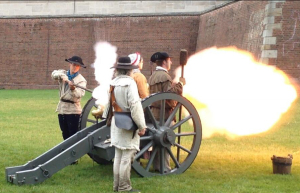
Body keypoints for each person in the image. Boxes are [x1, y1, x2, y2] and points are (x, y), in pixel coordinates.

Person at [105, 56, 147, 192]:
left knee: (118, 156)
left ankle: (116, 186)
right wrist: (142, 125)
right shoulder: (130, 84)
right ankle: (124, 187)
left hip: (116, 122)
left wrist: (106, 118)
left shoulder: (112, 83)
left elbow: (108, 107)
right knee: (126, 157)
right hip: (128, 124)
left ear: (118, 70)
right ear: (129, 70)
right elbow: (135, 106)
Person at [148, 52, 185, 173]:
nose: (171, 63)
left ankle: (157, 166)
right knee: (165, 141)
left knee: (156, 141)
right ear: (164, 61)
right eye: (169, 60)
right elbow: (169, 96)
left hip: (154, 113)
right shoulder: (165, 77)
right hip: (164, 114)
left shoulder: (153, 76)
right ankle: (165, 168)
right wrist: (180, 84)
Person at [51, 55, 87, 145]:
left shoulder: (81, 80)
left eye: (77, 65)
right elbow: (53, 74)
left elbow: (80, 94)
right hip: (62, 109)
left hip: (73, 110)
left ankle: (73, 156)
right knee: (65, 133)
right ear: (70, 64)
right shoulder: (63, 74)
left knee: (73, 135)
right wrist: (63, 76)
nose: (75, 67)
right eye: (73, 64)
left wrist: (73, 89)